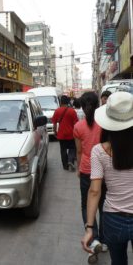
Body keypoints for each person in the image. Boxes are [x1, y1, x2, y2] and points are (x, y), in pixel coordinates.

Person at [81, 91, 133, 265]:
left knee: (118, 262)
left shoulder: (99, 151)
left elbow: (95, 191)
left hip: (113, 218)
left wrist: (89, 228)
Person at [74, 92, 106, 264]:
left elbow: (79, 151)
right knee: (103, 204)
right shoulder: (103, 124)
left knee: (86, 204)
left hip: (87, 169)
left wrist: (79, 169)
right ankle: (104, 240)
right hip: (104, 169)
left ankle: (92, 239)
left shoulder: (78, 127)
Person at [52, 95, 78, 171]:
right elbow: (76, 124)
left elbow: (54, 123)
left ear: (60, 102)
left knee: (63, 150)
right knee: (72, 149)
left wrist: (55, 132)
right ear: (68, 102)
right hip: (71, 134)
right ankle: (70, 161)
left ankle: (65, 166)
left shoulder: (57, 111)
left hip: (61, 135)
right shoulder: (72, 111)